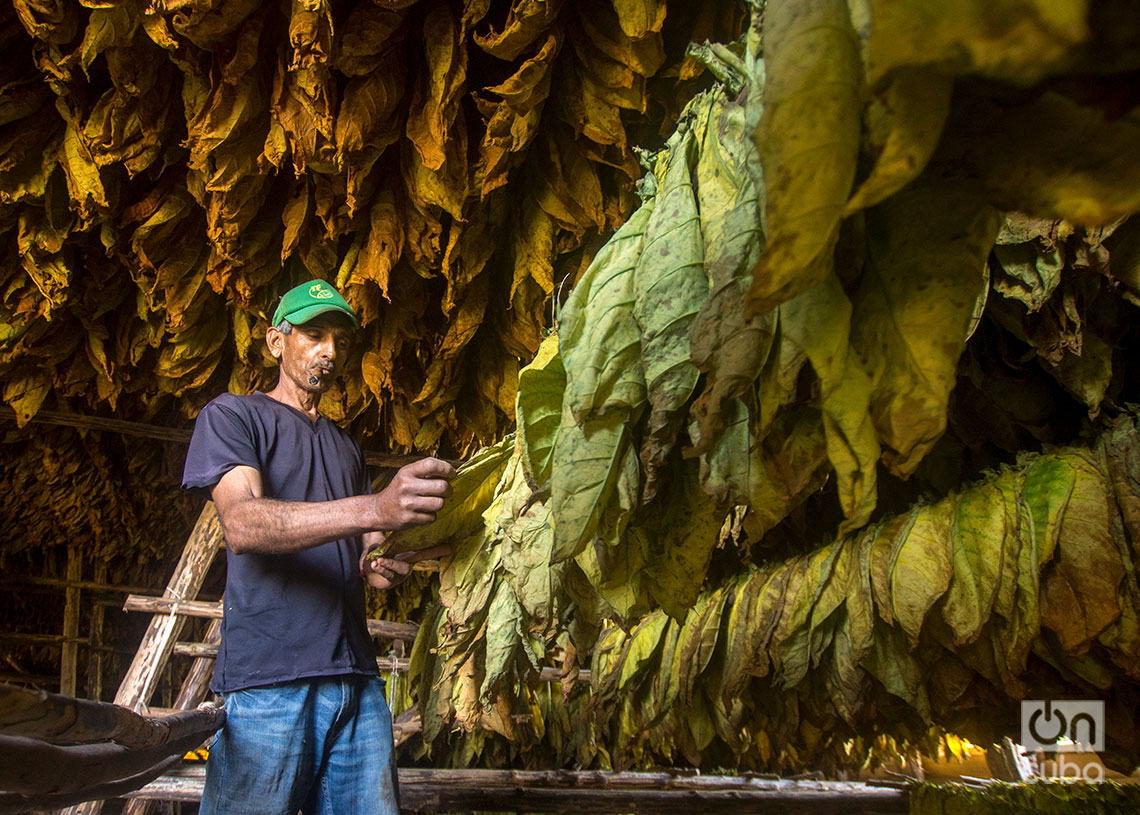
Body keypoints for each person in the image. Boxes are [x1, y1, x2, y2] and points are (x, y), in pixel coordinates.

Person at [181, 279, 455, 815]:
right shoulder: (233, 416)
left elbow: (368, 561)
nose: (330, 351)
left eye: (340, 341)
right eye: (314, 334)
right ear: (275, 341)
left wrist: (388, 559)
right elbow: (243, 524)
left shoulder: (345, 447)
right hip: (269, 683)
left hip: (356, 682)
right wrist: (376, 507)